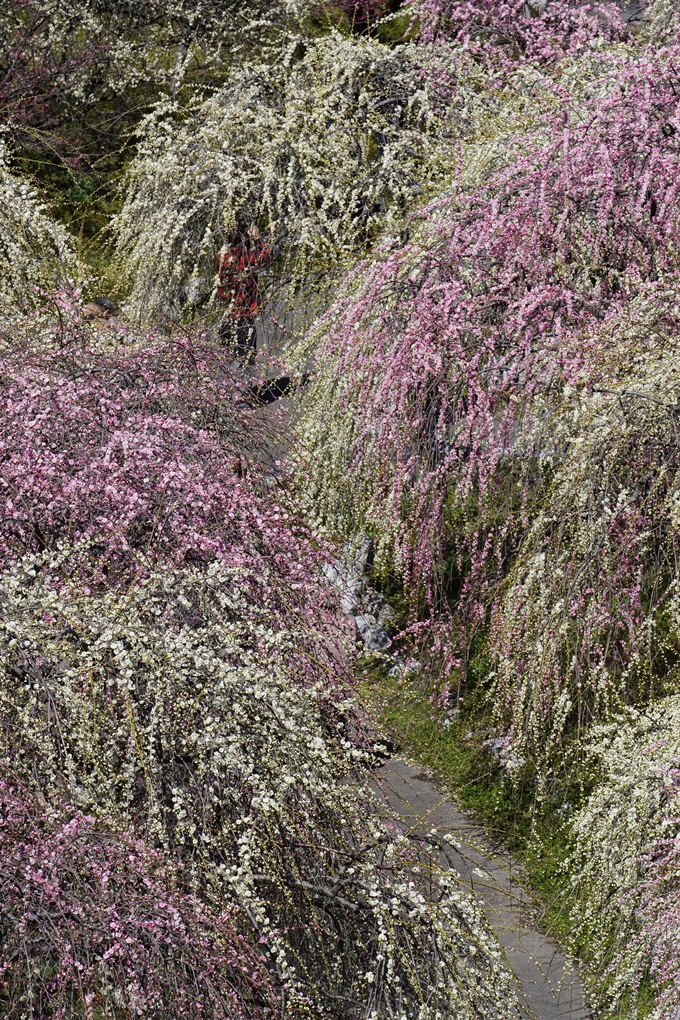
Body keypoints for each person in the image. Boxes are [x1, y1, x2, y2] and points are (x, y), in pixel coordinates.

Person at [215, 221, 271, 363]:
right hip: (244, 316)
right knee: (246, 362)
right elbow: (265, 255)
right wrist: (257, 238)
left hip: (227, 316)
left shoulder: (221, 257)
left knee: (228, 361)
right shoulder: (245, 257)